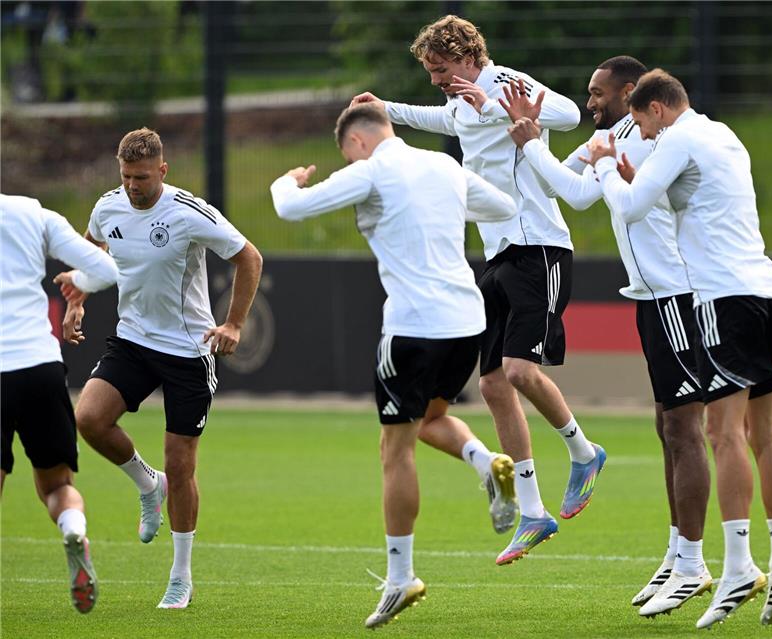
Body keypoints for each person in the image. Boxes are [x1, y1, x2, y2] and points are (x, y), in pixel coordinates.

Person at [351, 14, 606, 566]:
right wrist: (384, 110)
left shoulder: (503, 83)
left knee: (518, 370)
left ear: (468, 56)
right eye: (430, 72)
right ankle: (534, 512)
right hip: (496, 253)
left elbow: (564, 113)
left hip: (540, 245)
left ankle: (583, 453)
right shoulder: (460, 98)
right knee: (492, 385)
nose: (438, 79)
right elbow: (442, 116)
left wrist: (495, 104)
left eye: (442, 69)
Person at [269, 103, 518, 628]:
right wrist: (440, 209)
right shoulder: (444, 167)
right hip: (466, 323)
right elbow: (500, 207)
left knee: (394, 448)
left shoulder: (372, 169)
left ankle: (401, 577)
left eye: (346, 154)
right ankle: (486, 464)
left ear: (356, 142)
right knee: (430, 419)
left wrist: (284, 182)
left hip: (412, 326)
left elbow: (292, 209)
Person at [584, 69, 772, 628]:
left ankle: (735, 568)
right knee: (765, 433)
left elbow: (630, 209)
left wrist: (608, 163)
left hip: (721, 297)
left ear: (658, 108)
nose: (644, 136)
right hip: (767, 291)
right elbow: (691, 201)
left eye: (641, 123)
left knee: (721, 433)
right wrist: (637, 178)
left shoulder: (676, 137)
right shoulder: (723, 134)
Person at [503, 56, 712, 615]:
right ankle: (677, 553)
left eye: (597, 93)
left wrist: (533, 143)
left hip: (677, 295)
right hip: (652, 297)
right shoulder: (617, 133)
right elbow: (563, 183)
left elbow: (575, 194)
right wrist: (527, 139)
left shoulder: (645, 139)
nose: (589, 102)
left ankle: (693, 562)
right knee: (668, 423)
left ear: (629, 92)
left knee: (686, 427)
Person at [59, 128, 263, 610]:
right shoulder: (108, 205)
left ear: (163, 171)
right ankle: (147, 484)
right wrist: (78, 301)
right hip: (132, 339)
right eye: (127, 176)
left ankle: (180, 575)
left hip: (188, 351)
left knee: (182, 465)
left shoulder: (189, 212)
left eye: (143, 178)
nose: (134, 186)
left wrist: (233, 323)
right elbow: (91, 254)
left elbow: (249, 257)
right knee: (88, 419)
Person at [0, 193, 119, 613]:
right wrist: (79, 283)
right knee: (57, 486)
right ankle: (73, 529)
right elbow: (105, 269)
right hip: (40, 367)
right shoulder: (33, 213)